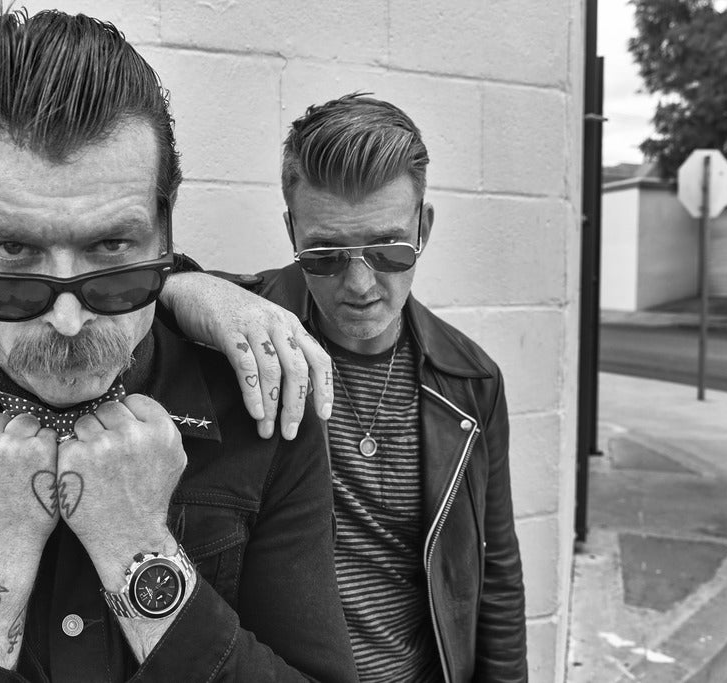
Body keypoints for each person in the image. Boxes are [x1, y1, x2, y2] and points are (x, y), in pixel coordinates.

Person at [0, 10, 357, 682]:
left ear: (164, 225)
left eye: (112, 246)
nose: (70, 319)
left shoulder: (264, 422)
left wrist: (137, 545)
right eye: (13, 251)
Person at [161, 94, 528, 682]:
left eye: (387, 250)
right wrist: (184, 285)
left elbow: (496, 574)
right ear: (292, 231)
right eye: (326, 255)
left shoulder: (470, 381)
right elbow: (123, 293)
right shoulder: (240, 339)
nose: (360, 283)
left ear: (424, 228)